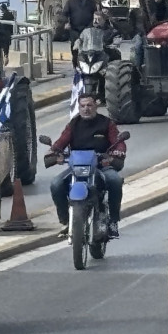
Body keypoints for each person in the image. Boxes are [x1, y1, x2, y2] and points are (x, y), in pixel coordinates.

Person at [47, 93, 126, 238]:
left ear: (96, 106)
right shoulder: (73, 124)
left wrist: (117, 152)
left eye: (89, 105)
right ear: (79, 107)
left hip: (101, 165)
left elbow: (118, 141)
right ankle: (66, 221)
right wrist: (53, 152)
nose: (86, 109)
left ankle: (113, 221)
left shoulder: (106, 123)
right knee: (56, 184)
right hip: (77, 168)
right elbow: (61, 141)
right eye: (82, 106)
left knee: (114, 181)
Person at [60, 0, 98, 68]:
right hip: (75, 30)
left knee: (89, 49)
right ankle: (76, 67)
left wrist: (93, 25)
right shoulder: (70, 2)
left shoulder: (91, 2)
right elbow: (64, 14)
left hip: (88, 29)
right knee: (75, 50)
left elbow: (95, 14)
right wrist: (66, 22)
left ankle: (88, 67)